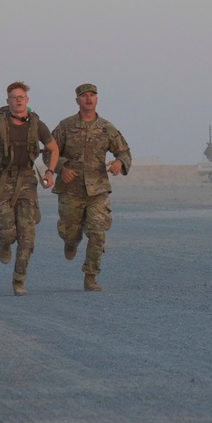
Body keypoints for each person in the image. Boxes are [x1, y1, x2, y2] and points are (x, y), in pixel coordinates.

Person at [0, 81, 59, 296]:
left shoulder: (36, 125)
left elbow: (53, 148)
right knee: (7, 231)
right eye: (14, 97)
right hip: (2, 181)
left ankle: (19, 280)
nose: (19, 100)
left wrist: (49, 172)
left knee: (27, 234)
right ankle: (3, 241)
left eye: (22, 97)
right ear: (8, 101)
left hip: (27, 182)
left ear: (27, 100)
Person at [48, 83, 131, 292]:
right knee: (70, 231)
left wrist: (120, 163)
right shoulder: (65, 127)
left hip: (98, 190)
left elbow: (124, 152)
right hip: (71, 189)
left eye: (92, 95)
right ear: (77, 100)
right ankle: (70, 242)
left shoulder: (106, 128)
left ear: (96, 99)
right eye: (84, 96)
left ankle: (91, 276)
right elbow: (49, 152)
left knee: (97, 232)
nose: (88, 99)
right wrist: (61, 167)